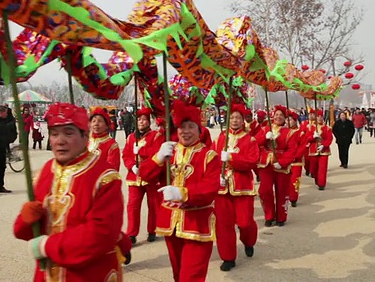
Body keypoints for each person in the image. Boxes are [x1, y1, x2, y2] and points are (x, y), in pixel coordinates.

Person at [13, 102, 125, 281]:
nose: (60, 140)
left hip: (87, 274)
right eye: (54, 134)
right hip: (48, 274)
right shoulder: (45, 171)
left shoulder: (105, 177)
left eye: (68, 133)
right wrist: (26, 220)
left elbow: (101, 234)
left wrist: (47, 246)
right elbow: (28, 232)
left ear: (85, 136)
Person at [139, 100, 221, 282]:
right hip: (171, 225)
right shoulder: (169, 151)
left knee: (190, 277)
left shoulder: (209, 155)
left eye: (190, 126)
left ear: (199, 130)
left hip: (197, 225)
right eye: (181, 127)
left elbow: (210, 188)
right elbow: (145, 174)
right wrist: (158, 158)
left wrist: (183, 193)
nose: (185, 131)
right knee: (178, 275)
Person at [214, 104, 259, 272]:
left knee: (245, 222)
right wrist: (217, 174)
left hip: (242, 186)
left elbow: (252, 161)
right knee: (223, 225)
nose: (234, 120)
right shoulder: (221, 137)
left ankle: (248, 241)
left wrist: (231, 157)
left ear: (243, 121)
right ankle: (228, 257)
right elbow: (213, 157)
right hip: (222, 186)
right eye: (232, 117)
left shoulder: (250, 140)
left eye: (238, 118)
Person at [254, 106, 298, 227]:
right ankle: (269, 215)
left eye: (281, 115)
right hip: (266, 164)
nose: (278, 117)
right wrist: (265, 137)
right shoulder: (265, 129)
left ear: (285, 118)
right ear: (272, 116)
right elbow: (255, 143)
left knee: (282, 191)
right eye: (276, 115)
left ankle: (281, 217)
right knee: (265, 190)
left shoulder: (290, 132)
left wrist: (283, 162)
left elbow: (292, 150)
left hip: (281, 165)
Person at [122, 108, 161, 244]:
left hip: (150, 176)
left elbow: (156, 154)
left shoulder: (155, 136)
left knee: (153, 204)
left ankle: (152, 230)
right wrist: (132, 165)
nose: (141, 122)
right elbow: (126, 155)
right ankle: (132, 233)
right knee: (132, 205)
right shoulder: (131, 137)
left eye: (144, 119)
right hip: (134, 177)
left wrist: (142, 151)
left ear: (149, 121)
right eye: (139, 119)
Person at [307, 114, 333, 190]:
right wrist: (313, 137)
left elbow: (329, 139)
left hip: (324, 151)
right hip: (313, 150)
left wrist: (324, 145)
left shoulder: (327, 128)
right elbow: (307, 138)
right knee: (314, 168)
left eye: (321, 117)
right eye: (318, 116)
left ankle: (322, 184)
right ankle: (317, 178)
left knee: (323, 168)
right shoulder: (311, 127)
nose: (320, 118)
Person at [287, 111, 306, 207]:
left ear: (295, 121)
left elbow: (302, 147)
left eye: (290, 120)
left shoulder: (300, 133)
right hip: (285, 161)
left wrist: (294, 157)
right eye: (287, 120)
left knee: (295, 180)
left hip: (296, 161)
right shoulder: (284, 132)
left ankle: (293, 198)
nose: (288, 122)